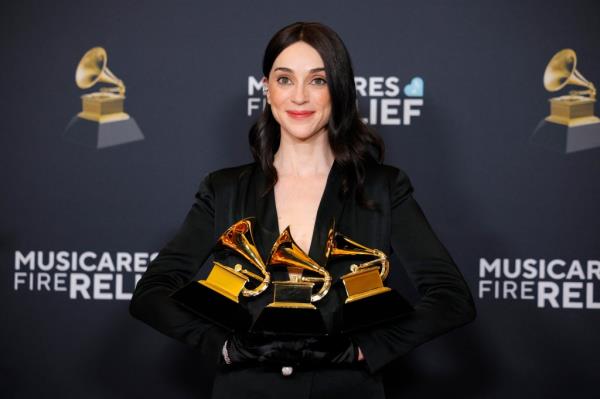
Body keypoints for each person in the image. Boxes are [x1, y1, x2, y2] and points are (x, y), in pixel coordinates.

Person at [129, 21, 476, 399]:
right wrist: (226, 346)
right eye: (284, 80)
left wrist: (365, 348)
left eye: (317, 81)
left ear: (339, 90)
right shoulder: (223, 189)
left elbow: (451, 298)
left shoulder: (383, 188)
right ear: (266, 89)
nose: (299, 98)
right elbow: (151, 293)